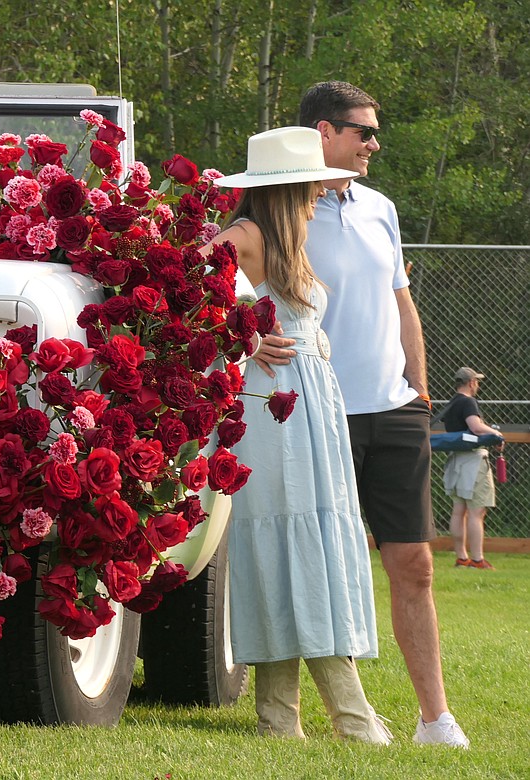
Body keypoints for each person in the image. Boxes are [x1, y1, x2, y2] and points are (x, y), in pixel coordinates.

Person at [256, 80, 470, 748]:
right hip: (319, 416)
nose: (375, 143)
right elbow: (223, 292)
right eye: (364, 131)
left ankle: (435, 718)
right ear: (324, 132)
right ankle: (347, 712)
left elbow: (402, 301)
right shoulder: (279, 216)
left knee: (416, 565)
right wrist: (245, 333)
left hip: (398, 411)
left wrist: (422, 393)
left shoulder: (381, 208)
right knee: (324, 561)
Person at [204, 126, 390, 744]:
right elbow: (186, 299)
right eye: (311, 186)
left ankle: (278, 717)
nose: (320, 195)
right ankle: (351, 715)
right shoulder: (245, 238)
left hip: (311, 409)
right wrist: (244, 336)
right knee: (286, 539)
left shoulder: (289, 241)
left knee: (301, 537)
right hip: (273, 413)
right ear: (287, 189)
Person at [441, 367, 503, 569]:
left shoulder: (452, 403)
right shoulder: (468, 402)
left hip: (456, 460)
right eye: (476, 381)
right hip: (473, 462)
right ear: (471, 383)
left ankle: (461, 557)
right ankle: (477, 560)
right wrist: (495, 434)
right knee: (477, 512)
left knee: (459, 510)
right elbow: (475, 426)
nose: (477, 385)